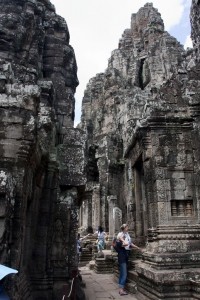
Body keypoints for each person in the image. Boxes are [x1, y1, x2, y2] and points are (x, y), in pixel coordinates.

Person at [117, 224, 140, 296]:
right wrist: (123, 240)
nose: (128, 228)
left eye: (127, 227)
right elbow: (122, 241)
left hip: (126, 254)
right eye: (127, 227)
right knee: (124, 273)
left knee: (122, 272)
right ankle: (121, 290)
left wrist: (137, 247)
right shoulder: (120, 234)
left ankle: (121, 287)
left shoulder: (127, 234)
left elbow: (130, 243)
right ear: (123, 228)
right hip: (122, 254)